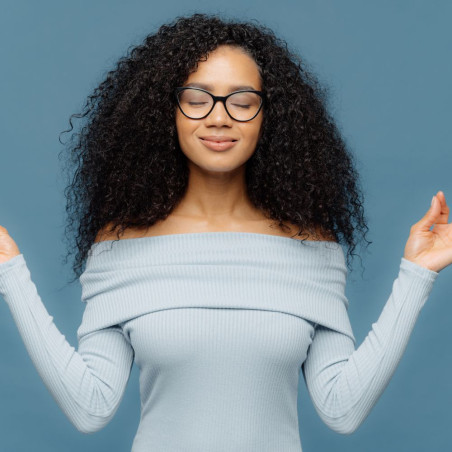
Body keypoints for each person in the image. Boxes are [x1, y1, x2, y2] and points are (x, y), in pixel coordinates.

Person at [0, 12, 450, 452]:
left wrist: (416, 274)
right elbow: (90, 408)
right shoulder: (120, 248)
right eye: (198, 98)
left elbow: (342, 409)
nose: (219, 117)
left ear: (267, 116)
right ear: (167, 112)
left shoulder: (312, 248)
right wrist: (11, 275)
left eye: (242, 100)